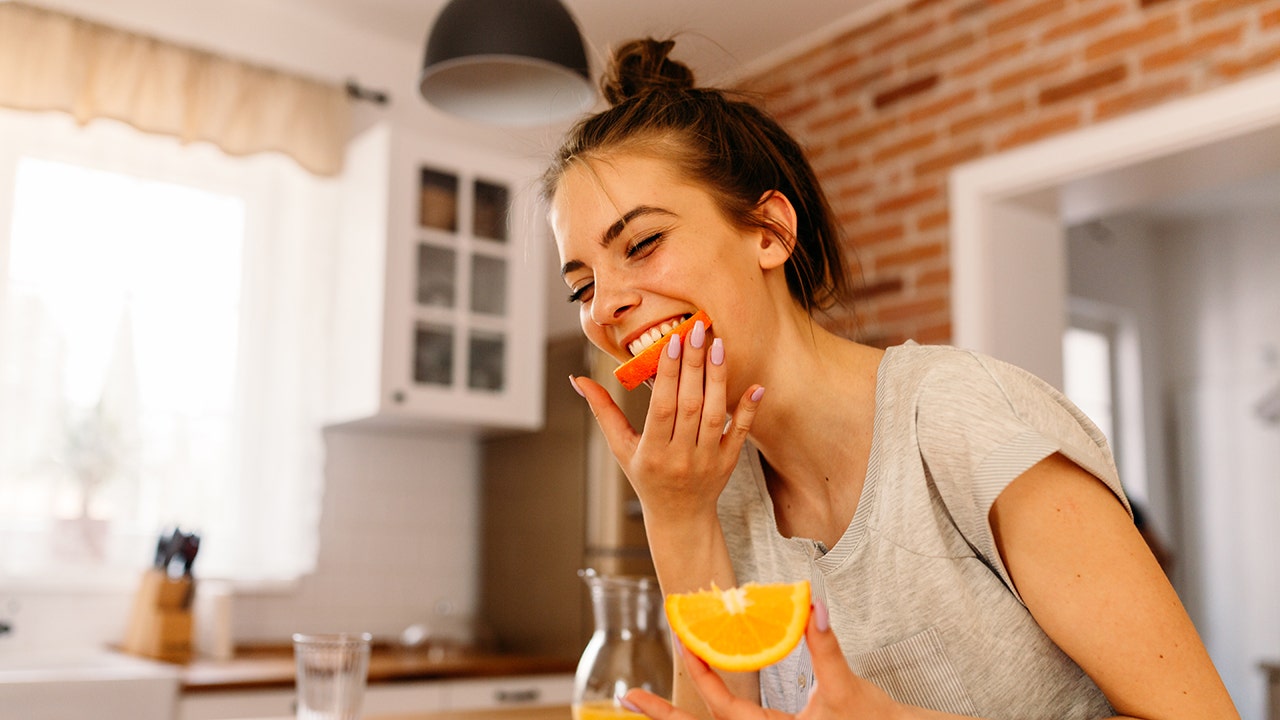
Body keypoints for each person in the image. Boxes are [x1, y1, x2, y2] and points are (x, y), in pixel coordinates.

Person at [545, 37, 1238, 720]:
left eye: (641, 244)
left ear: (769, 232)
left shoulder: (966, 419)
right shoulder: (718, 496)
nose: (605, 308)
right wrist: (675, 513)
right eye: (582, 288)